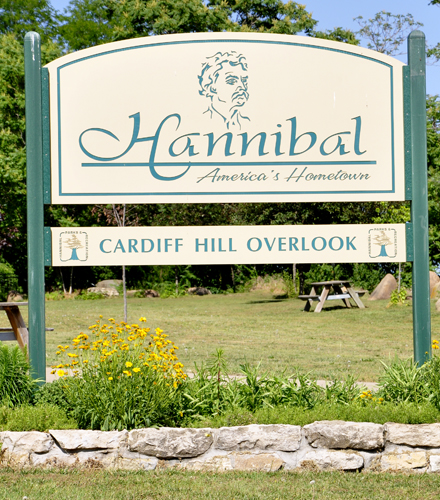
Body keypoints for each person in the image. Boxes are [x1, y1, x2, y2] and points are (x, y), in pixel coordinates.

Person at [198, 51, 250, 129]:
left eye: (244, 81)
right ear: (212, 87)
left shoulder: (247, 122)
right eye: (232, 81)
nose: (242, 86)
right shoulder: (198, 121)